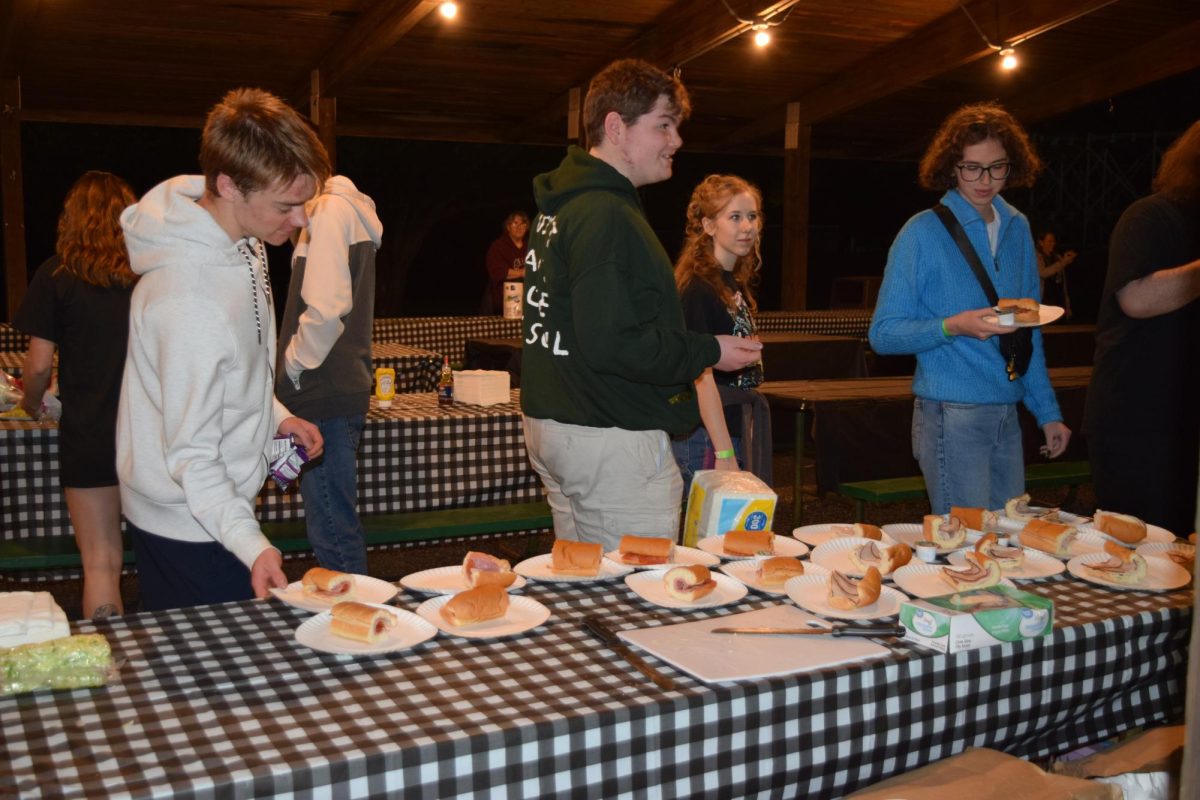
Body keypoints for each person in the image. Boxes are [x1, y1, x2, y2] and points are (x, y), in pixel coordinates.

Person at [520, 59, 763, 552]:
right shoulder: (605, 213)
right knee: (640, 596)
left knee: (587, 584)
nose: (675, 141)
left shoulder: (564, 204)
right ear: (616, 126)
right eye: (663, 125)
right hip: (608, 436)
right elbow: (612, 342)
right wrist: (707, 350)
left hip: (559, 424)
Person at [116, 87, 328, 611]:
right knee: (212, 681)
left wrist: (274, 415)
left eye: (305, 203)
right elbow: (191, 454)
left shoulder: (245, 240)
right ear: (229, 185)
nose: (301, 221)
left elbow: (237, 366)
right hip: (187, 521)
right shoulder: (187, 300)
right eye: (287, 206)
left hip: (218, 505)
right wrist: (253, 545)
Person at [869, 102, 1070, 514]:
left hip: (1007, 412)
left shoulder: (1018, 228)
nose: (985, 180)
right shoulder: (922, 232)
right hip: (950, 414)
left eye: (997, 167)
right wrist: (952, 326)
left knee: (1006, 544)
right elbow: (884, 334)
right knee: (965, 550)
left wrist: (1047, 413)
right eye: (971, 168)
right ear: (951, 166)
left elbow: (1027, 330)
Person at [10, 171, 137, 620]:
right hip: (150, 435)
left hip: (90, 434)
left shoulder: (56, 275)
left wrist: (31, 402)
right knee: (162, 553)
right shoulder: (148, 275)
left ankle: (108, 653)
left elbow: (39, 364)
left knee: (100, 558)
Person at [1083, 120, 1200, 535]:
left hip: (1183, 420)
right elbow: (1135, 299)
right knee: (1141, 547)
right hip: (1139, 423)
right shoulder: (1152, 215)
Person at [275, 176, 382, 575]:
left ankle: (352, 616)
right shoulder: (344, 212)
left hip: (320, 387)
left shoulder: (329, 211)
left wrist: (291, 365)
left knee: (332, 526)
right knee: (332, 517)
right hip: (332, 387)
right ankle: (352, 611)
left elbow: (325, 308)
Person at [672, 174, 770, 497]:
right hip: (705, 436)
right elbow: (700, 376)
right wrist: (725, 453)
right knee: (706, 539)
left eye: (752, 216)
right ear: (709, 225)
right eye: (735, 217)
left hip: (728, 429)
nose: (747, 227)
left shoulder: (730, 282)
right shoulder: (697, 288)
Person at [484, 211, 529, 314]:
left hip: (528, 302)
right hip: (505, 303)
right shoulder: (498, 247)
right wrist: (522, 273)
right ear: (508, 227)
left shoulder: (531, 245)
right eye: (515, 223)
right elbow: (498, 272)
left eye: (523, 223)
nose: (519, 227)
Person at [1035, 230, 1077, 318]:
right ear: (1041, 243)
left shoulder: (1057, 257)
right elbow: (1043, 273)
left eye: (1053, 241)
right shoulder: (1036, 257)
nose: (1053, 243)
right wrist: (1063, 262)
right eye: (1049, 241)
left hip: (1057, 300)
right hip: (1044, 300)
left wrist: (1067, 258)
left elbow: (1062, 282)